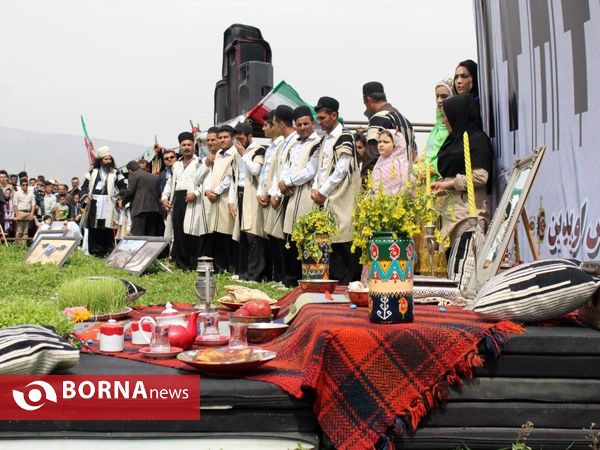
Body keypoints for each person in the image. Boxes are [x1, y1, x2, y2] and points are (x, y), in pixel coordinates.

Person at [311, 96, 361, 285]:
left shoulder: (345, 136)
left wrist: (322, 191)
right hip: (326, 197)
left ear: (334, 115)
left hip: (341, 197)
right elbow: (321, 168)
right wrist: (316, 188)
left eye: (323, 118)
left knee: (344, 241)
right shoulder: (325, 139)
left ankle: (348, 284)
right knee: (331, 243)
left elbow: (341, 170)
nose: (320, 121)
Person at [431, 94, 493, 246]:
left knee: (467, 264)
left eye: (446, 116)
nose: (444, 120)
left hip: (468, 216)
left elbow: (480, 177)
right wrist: (441, 187)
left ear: (457, 115)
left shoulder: (477, 140)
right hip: (450, 216)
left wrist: (450, 184)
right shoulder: (452, 141)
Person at [279, 105, 321, 284]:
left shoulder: (318, 142)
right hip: (290, 195)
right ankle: (290, 278)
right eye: (299, 124)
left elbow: (310, 171)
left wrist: (288, 182)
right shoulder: (293, 143)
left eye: (306, 123)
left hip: (305, 193)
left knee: (305, 236)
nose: (303, 127)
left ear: (313, 123)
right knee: (289, 236)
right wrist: (282, 184)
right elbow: (286, 166)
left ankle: (306, 278)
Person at [162, 131, 209, 271]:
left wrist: (196, 193)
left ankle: (194, 263)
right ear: (180, 147)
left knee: (192, 232)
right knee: (179, 232)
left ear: (194, 145)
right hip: (178, 200)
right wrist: (164, 197)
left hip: (194, 200)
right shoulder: (176, 165)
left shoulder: (200, 162)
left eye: (189, 144)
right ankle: (182, 264)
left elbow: (205, 182)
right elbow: (170, 183)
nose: (187, 147)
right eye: (184, 145)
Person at [229, 122, 266, 281]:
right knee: (242, 235)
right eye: (236, 139)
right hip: (240, 193)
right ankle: (243, 272)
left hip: (253, 194)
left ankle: (255, 274)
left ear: (249, 136)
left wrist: (244, 154)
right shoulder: (236, 154)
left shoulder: (259, 150)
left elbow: (256, 171)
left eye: (240, 138)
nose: (238, 142)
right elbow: (234, 177)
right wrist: (231, 201)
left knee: (253, 234)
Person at [362, 81, 416, 178]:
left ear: (368, 100)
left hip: (386, 184)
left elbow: (371, 156)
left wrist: (365, 184)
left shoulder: (379, 118)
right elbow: (414, 153)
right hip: (406, 182)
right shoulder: (406, 121)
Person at [81, 146, 126, 257]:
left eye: (110, 159)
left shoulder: (116, 172)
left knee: (108, 227)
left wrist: (120, 197)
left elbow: (123, 187)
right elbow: (84, 187)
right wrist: (86, 196)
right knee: (95, 227)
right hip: (94, 203)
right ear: (100, 160)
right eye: (106, 159)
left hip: (109, 203)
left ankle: (109, 250)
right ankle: (96, 252)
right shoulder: (92, 172)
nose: (108, 161)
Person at [204, 126, 236, 273]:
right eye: (220, 137)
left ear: (232, 138)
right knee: (217, 233)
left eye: (226, 137)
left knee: (228, 234)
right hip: (215, 199)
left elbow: (230, 178)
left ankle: (231, 267)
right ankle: (219, 267)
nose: (222, 140)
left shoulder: (235, 154)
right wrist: (208, 191)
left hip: (226, 197)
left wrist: (215, 191)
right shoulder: (218, 155)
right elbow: (212, 176)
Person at [257, 112, 283, 281]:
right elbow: (264, 173)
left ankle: (281, 276)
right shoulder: (270, 146)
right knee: (270, 239)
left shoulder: (282, 145)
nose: (263, 128)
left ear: (275, 125)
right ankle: (274, 275)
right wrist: (261, 191)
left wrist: (273, 193)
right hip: (266, 196)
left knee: (278, 239)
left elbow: (278, 173)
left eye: (266, 124)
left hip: (276, 197)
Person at [421, 79, 454, 181]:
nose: (439, 100)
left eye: (444, 96)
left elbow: (452, 153)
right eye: (437, 96)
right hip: (426, 180)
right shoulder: (437, 126)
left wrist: (433, 169)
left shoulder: (454, 125)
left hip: (445, 180)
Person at [121, 160, 163, 237]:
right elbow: (159, 194)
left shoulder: (133, 174)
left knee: (138, 237)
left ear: (130, 170)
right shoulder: (153, 176)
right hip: (154, 210)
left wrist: (123, 202)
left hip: (139, 209)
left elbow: (130, 192)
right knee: (150, 236)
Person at [372, 129, 409, 195]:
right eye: (379, 142)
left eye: (385, 142)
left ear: (396, 145)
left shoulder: (398, 164)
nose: (381, 145)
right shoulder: (380, 162)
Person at [13, 178, 36, 244]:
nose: (25, 186)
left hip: (28, 213)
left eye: (26, 185)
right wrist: (17, 215)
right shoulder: (17, 193)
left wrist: (31, 214)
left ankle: (23, 246)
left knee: (25, 231)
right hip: (20, 212)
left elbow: (33, 204)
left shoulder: (31, 193)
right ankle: (17, 246)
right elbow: (15, 205)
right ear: (20, 186)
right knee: (19, 231)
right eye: (23, 185)